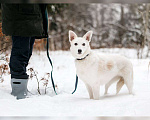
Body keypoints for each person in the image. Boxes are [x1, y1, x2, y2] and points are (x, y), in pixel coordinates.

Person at [1, 4, 48, 99]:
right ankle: (18, 92)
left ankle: (21, 89)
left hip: (30, 15)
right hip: (21, 16)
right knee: (20, 54)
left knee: (26, 53)